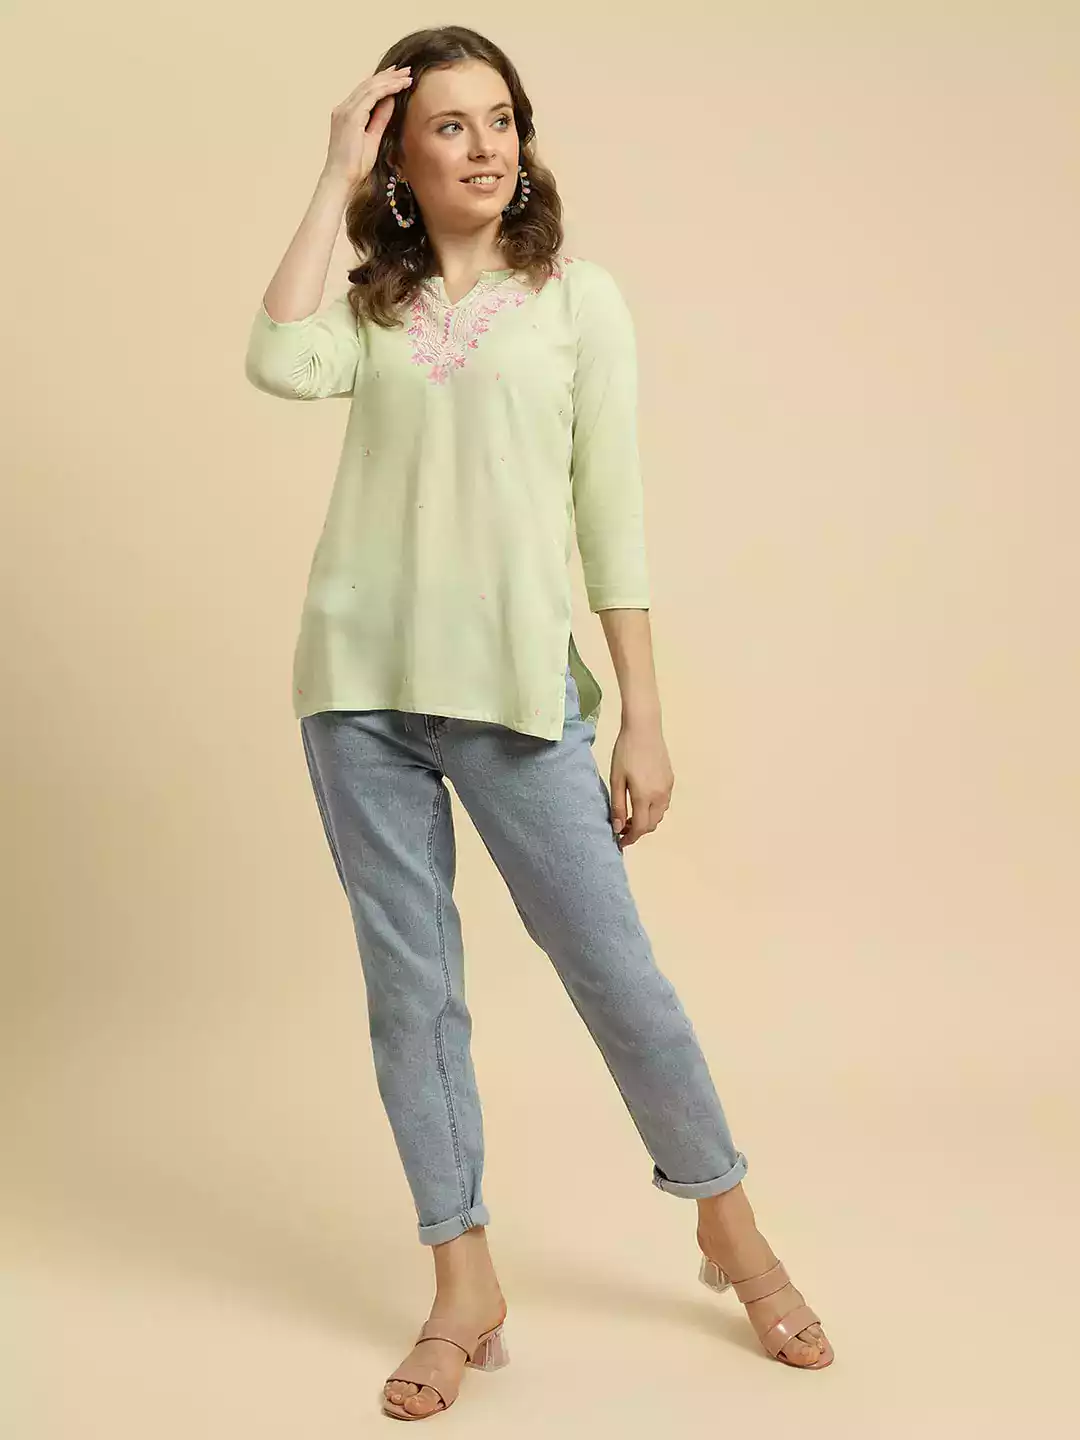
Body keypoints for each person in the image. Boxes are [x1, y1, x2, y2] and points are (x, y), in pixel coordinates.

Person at [243, 24, 833, 1423]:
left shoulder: (577, 302)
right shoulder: (372, 312)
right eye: (449, 125)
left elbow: (609, 515)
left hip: (515, 696)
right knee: (412, 995)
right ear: (400, 156)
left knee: (616, 975)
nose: (487, 146)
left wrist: (643, 717)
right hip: (358, 695)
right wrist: (329, 176)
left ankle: (730, 1227)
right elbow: (275, 359)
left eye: (501, 118)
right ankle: (464, 1284)